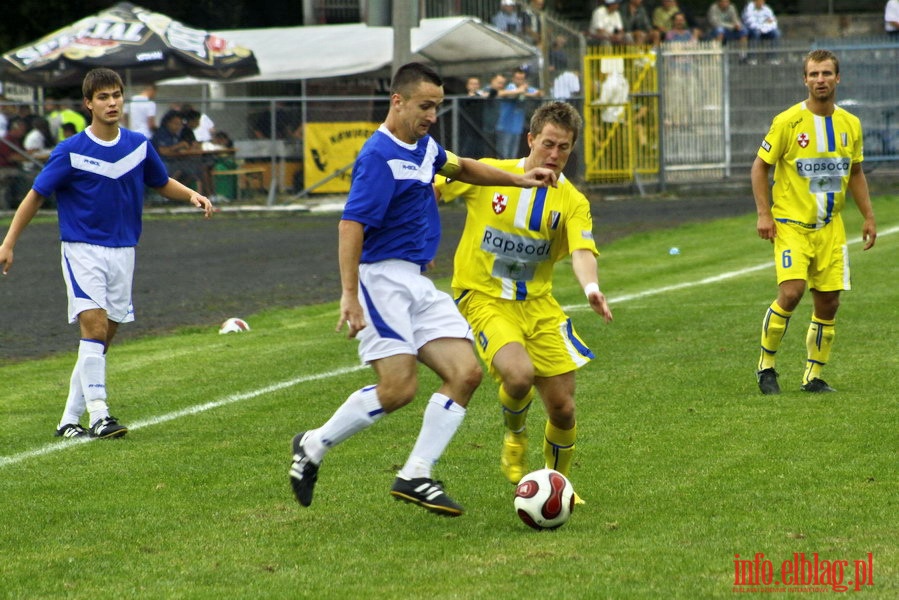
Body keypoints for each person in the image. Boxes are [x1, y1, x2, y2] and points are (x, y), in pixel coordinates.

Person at [287, 62, 557, 517]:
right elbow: (351, 225)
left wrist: (517, 178)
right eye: (425, 106)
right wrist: (349, 293)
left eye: (438, 106)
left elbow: (463, 166)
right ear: (398, 101)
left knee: (466, 373)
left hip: (416, 281)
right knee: (398, 390)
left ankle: (416, 472)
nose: (432, 115)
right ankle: (313, 445)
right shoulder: (378, 156)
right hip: (381, 280)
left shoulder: (425, 148)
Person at [0, 68, 213, 439]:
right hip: (82, 249)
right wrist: (8, 243)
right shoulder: (69, 151)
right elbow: (35, 196)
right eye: (103, 97)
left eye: (116, 95)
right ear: (88, 104)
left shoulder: (138, 144)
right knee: (94, 328)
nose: (111, 102)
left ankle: (68, 420)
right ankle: (101, 415)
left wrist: (191, 194)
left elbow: (161, 183)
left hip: (124, 251)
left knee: (100, 341)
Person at [434, 101, 612, 493]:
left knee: (563, 408)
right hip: (483, 296)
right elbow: (432, 188)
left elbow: (582, 251)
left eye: (564, 147)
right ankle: (515, 436)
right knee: (518, 375)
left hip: (538, 305)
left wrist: (592, 288)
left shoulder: (572, 201)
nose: (554, 154)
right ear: (530, 139)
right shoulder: (490, 174)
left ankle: (557, 485)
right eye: (548, 143)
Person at [751, 49, 876, 395]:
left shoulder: (850, 124)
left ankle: (813, 376)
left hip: (831, 228)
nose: (820, 79)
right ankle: (767, 368)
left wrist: (868, 216)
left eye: (826, 73)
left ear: (838, 78)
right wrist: (764, 213)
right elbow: (760, 166)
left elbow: (855, 171)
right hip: (792, 224)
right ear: (804, 80)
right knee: (791, 292)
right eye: (814, 74)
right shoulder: (787, 121)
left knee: (829, 303)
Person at [496, 68, 542, 159]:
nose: (520, 81)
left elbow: (539, 93)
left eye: (522, 79)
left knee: (513, 154)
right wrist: (521, 91)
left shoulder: (525, 89)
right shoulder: (510, 87)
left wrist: (525, 93)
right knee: (503, 154)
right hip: (505, 126)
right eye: (518, 78)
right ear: (513, 79)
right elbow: (510, 94)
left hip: (516, 127)